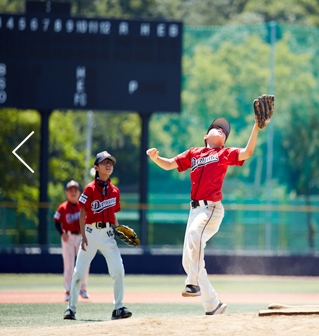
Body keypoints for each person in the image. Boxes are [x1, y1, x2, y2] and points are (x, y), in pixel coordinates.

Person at [146, 116, 268, 315]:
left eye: (224, 131)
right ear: (206, 135)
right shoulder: (194, 153)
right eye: (217, 128)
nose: (221, 130)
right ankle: (213, 304)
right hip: (194, 211)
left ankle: (192, 283)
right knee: (189, 260)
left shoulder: (224, 153)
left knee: (195, 237)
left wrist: (256, 126)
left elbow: (248, 152)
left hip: (211, 209)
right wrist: (155, 158)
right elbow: (169, 164)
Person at [63, 151, 132, 321]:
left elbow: (113, 214)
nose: (108, 165)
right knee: (79, 272)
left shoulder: (115, 191)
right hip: (91, 233)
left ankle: (118, 308)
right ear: (96, 167)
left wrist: (118, 229)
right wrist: (83, 236)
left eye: (111, 162)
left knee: (118, 270)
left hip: (108, 234)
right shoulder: (89, 188)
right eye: (104, 162)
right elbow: (82, 213)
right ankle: (70, 309)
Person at [53, 180, 90, 301]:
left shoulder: (83, 206)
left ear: (79, 192)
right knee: (68, 265)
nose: (73, 193)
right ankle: (68, 291)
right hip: (68, 237)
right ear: (66, 192)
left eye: (75, 190)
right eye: (71, 190)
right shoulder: (63, 207)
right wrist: (62, 234)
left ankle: (82, 289)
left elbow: (89, 221)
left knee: (84, 263)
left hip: (81, 236)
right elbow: (57, 222)